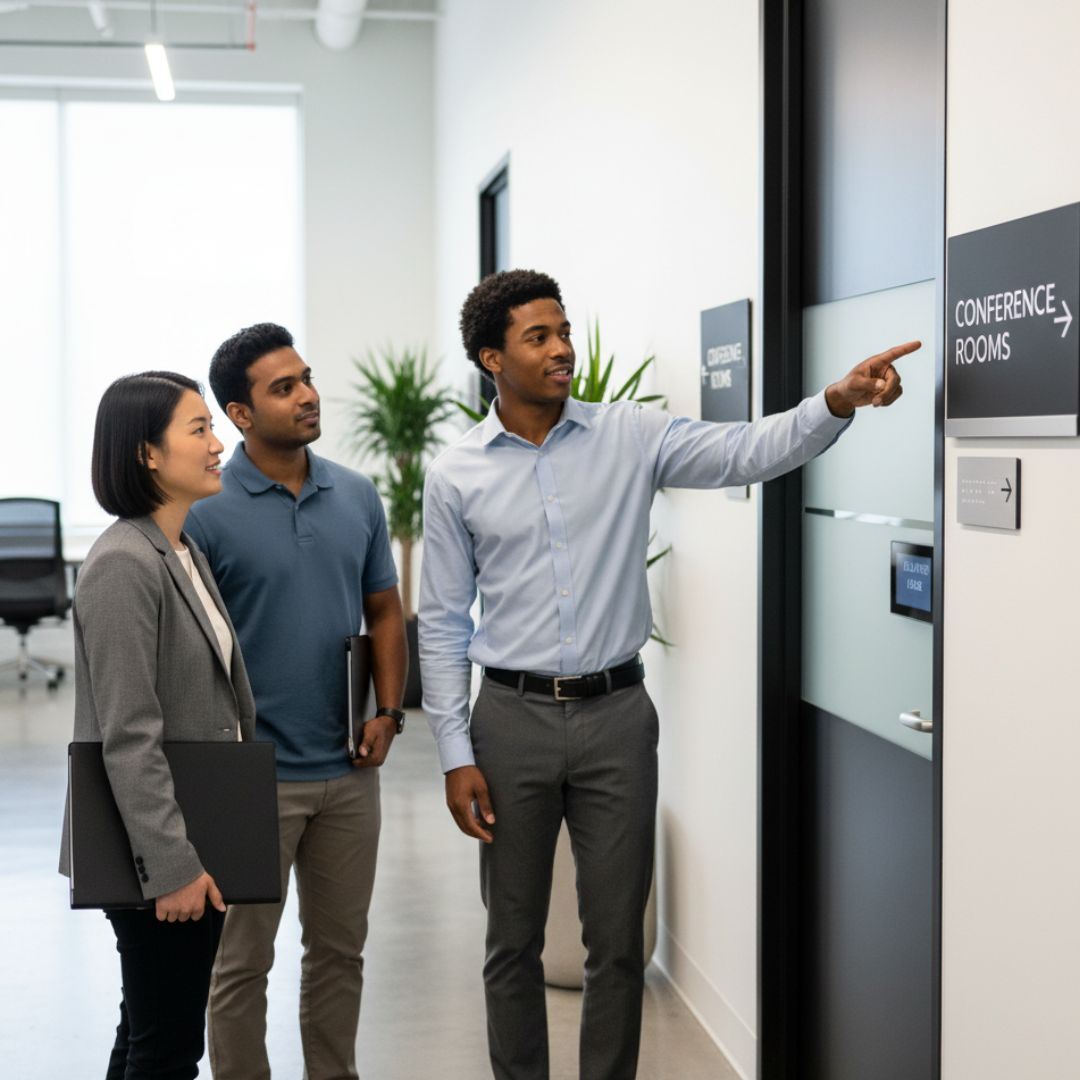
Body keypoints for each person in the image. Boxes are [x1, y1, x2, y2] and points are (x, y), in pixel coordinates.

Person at [419, 269, 918, 1080]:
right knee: (510, 939)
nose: (561, 351)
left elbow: (745, 451)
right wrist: (452, 751)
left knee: (616, 944)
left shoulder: (629, 435)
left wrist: (835, 401)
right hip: (508, 721)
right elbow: (440, 621)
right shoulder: (456, 475)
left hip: (617, 716)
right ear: (491, 359)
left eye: (563, 330)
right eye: (536, 337)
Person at [184, 322, 408, 1080]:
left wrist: (387, 712)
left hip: (348, 770)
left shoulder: (357, 493)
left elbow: (383, 609)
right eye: (284, 387)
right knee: (240, 965)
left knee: (341, 954)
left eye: (306, 377)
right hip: (250, 778)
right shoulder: (205, 513)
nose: (308, 395)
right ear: (240, 415)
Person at [59, 371, 255, 1079]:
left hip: (192, 829)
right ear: (148, 453)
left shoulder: (181, 550)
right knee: (167, 1049)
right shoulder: (121, 564)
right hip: (157, 850)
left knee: (150, 1035)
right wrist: (172, 868)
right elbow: (128, 733)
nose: (218, 443)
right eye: (199, 429)